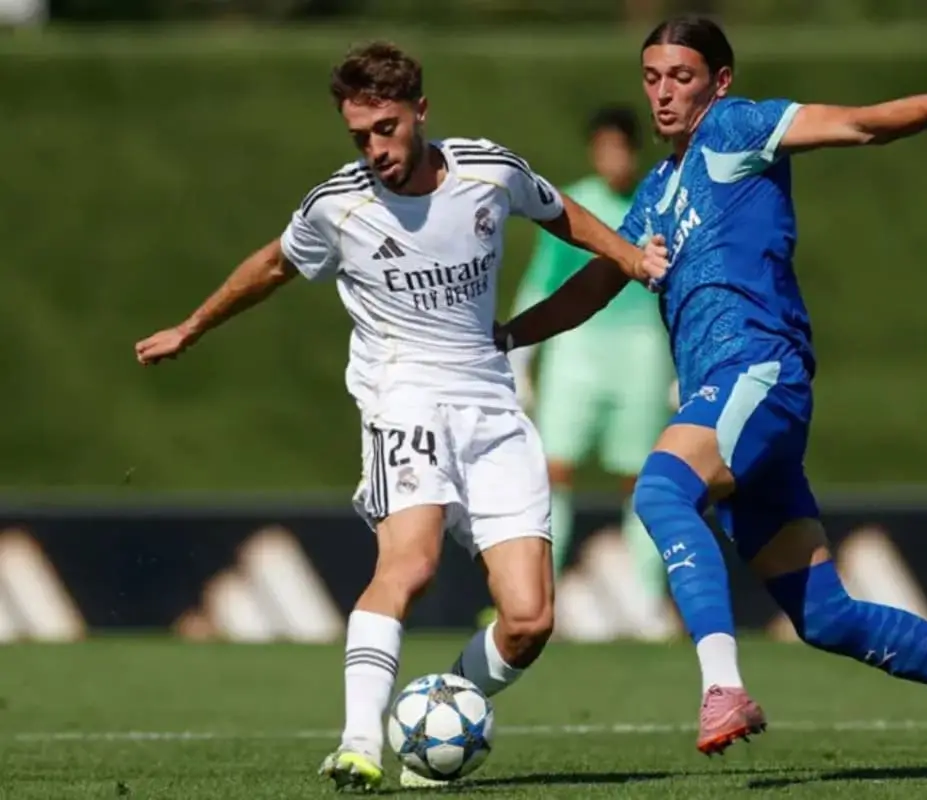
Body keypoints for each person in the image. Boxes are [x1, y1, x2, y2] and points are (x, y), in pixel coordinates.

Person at [495, 15, 927, 780]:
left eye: (683, 77)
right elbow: (594, 287)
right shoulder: (659, 190)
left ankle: (723, 687)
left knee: (662, 490)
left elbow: (863, 125)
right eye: (654, 78)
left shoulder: (738, 129)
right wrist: (501, 338)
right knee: (826, 616)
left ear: (720, 81)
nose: (665, 93)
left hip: (757, 373)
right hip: (731, 395)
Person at [133, 41, 661, 791]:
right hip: (403, 397)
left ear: (420, 110)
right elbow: (273, 265)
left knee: (529, 621)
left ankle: (435, 714)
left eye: (385, 127)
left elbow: (565, 215)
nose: (374, 149)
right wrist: (192, 326)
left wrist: (633, 258)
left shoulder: (487, 171)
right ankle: (357, 744)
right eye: (359, 136)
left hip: (491, 401)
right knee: (408, 564)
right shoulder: (339, 205)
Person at [507, 105, 677, 640]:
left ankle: (646, 600)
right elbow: (541, 282)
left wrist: (686, 363)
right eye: (602, 148)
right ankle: (538, 600)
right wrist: (520, 357)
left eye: (620, 147)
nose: (612, 159)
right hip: (578, 350)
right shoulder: (571, 205)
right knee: (553, 469)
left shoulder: (662, 203)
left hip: (643, 349)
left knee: (642, 476)